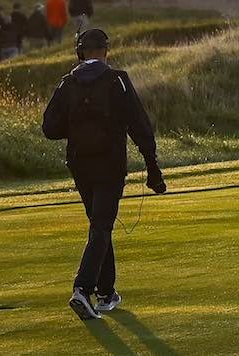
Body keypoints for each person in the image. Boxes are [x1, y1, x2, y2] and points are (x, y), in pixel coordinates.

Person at [41, 27, 166, 322]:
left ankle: (106, 292)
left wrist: (76, 127)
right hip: (110, 164)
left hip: (80, 164)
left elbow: (49, 128)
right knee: (101, 226)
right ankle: (82, 289)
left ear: (80, 52)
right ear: (106, 51)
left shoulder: (67, 83)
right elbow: (140, 125)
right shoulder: (116, 80)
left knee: (100, 224)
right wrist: (153, 168)